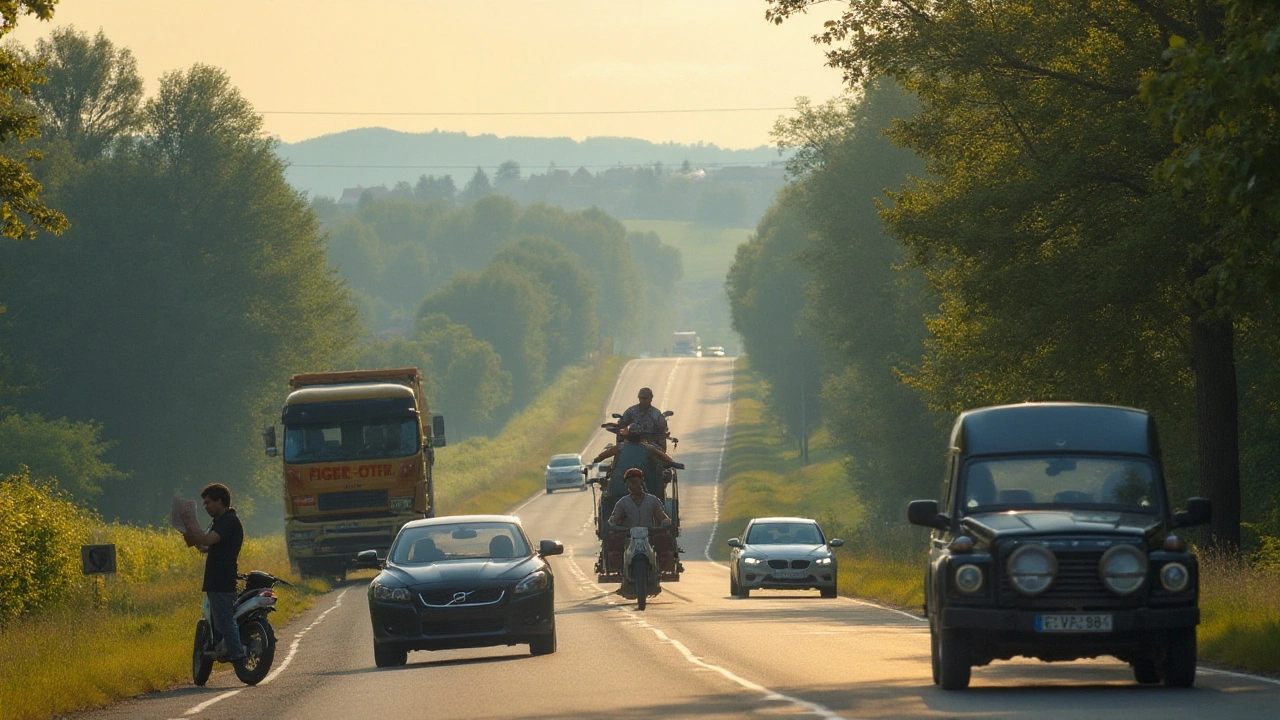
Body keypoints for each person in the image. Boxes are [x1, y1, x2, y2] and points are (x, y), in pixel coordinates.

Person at [183, 482, 246, 668]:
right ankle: (228, 650)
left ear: (220, 501)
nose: (206, 507)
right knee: (222, 620)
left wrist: (192, 528)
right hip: (216, 581)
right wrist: (192, 538)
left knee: (225, 621)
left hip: (222, 580)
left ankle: (238, 657)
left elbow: (208, 539)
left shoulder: (228, 521)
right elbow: (205, 546)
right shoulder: (220, 522)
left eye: (208, 502)